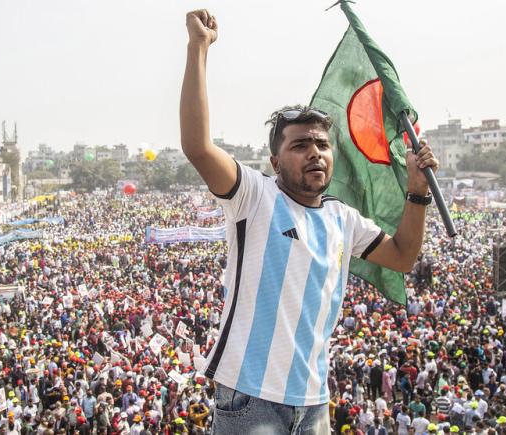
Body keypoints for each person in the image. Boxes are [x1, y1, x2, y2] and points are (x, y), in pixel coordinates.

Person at [180, 8, 439, 435]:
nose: (315, 152)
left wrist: (417, 190)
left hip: (315, 400)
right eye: (300, 145)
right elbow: (197, 146)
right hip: (251, 398)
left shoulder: (343, 218)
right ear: (275, 160)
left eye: (322, 144)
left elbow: (403, 257)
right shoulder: (254, 196)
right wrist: (198, 50)